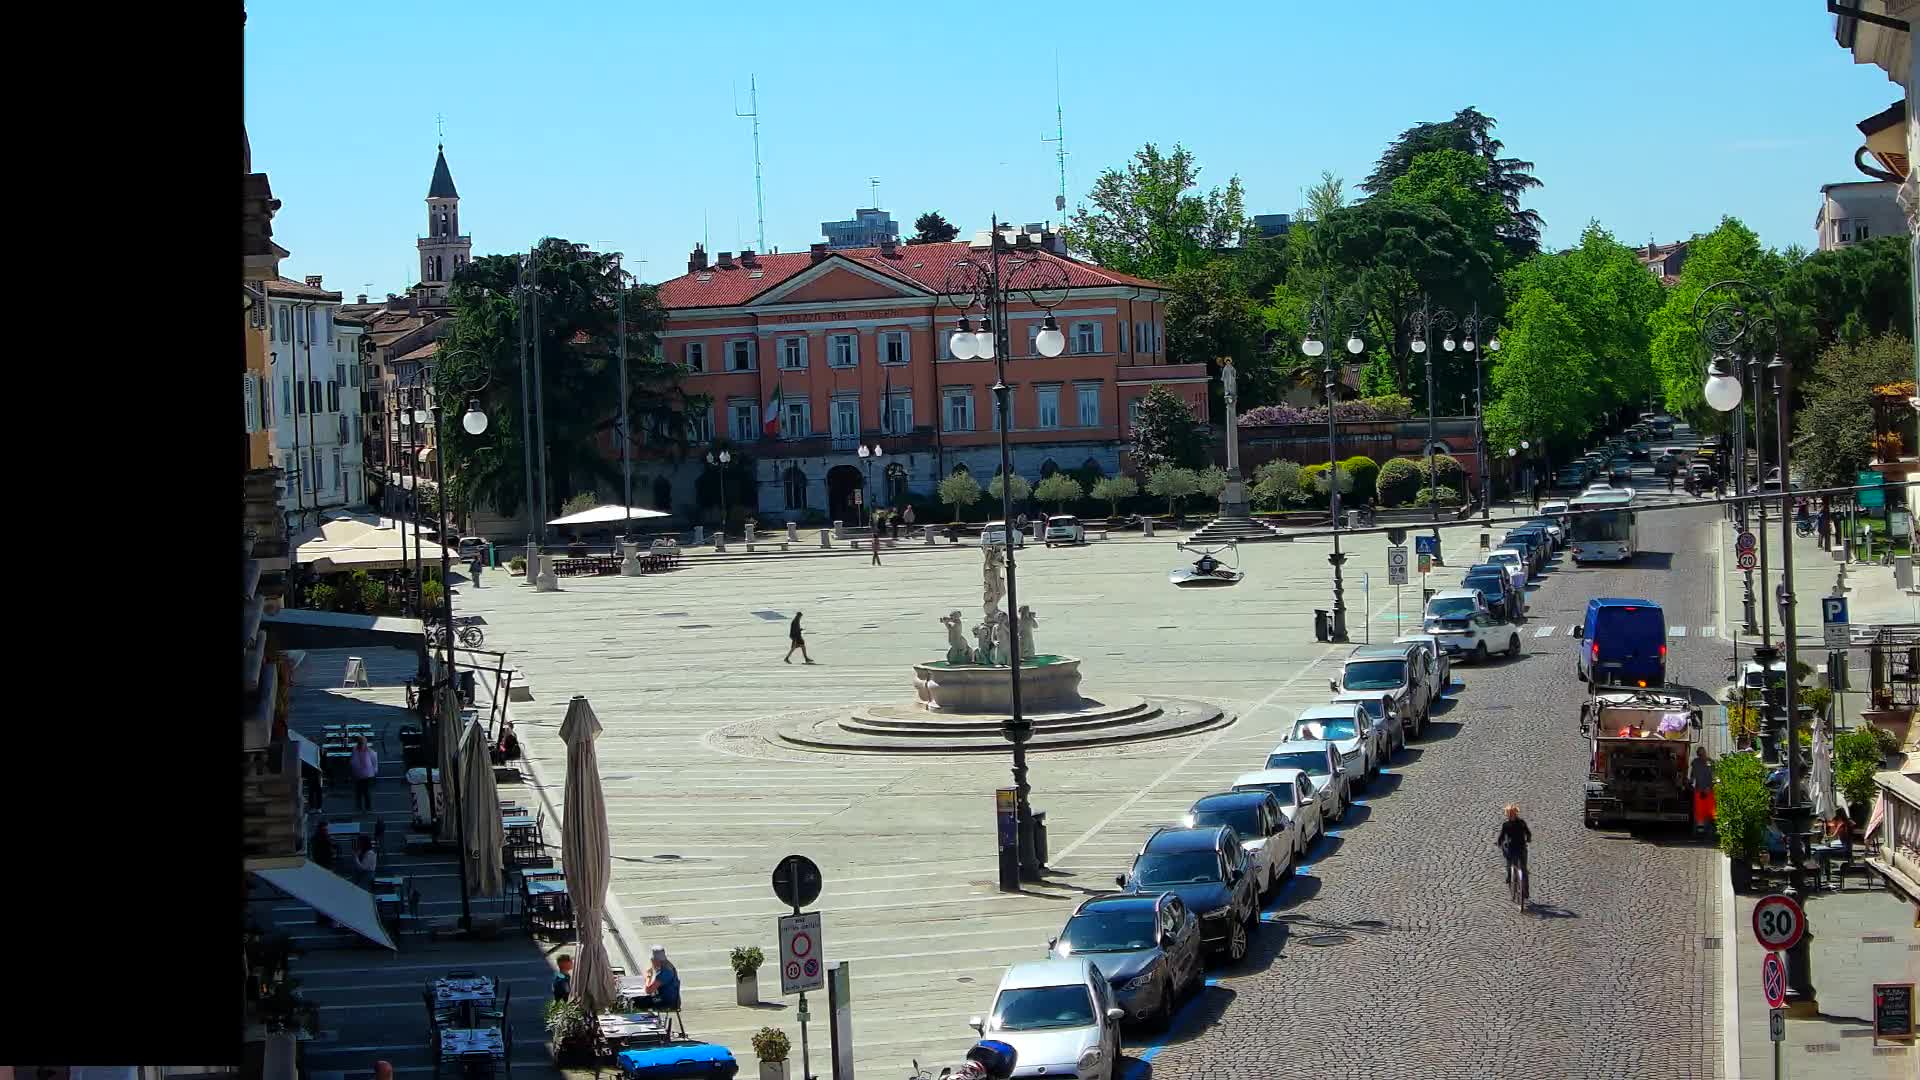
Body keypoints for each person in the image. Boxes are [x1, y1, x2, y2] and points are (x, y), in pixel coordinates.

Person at [627, 946, 681, 1012]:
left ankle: (643, 1019)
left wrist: (648, 976)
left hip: (667, 1001)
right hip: (671, 999)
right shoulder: (668, 966)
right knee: (642, 1000)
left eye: (652, 960)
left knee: (637, 1001)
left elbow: (649, 990)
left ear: (656, 960)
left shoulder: (665, 972)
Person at [1497, 804, 1532, 899]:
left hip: (1514, 848)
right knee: (1523, 869)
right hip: (1520, 848)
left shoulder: (1506, 825)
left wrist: (1499, 843)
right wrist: (1528, 838)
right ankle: (1525, 891)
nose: (1510, 815)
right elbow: (1528, 833)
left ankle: (1510, 877)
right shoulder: (1521, 822)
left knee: (1513, 864)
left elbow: (1501, 836)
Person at [1818, 811, 1854, 887]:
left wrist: (1825, 837)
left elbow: (1833, 837)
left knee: (1823, 854)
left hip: (1844, 851)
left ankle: (1824, 876)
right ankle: (1826, 876)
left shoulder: (1841, 825)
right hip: (1848, 849)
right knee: (1824, 854)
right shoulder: (1848, 823)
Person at [1689, 748, 1716, 835]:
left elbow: (1713, 776)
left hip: (1708, 790)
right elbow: (1693, 775)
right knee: (1699, 811)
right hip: (1699, 790)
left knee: (1709, 811)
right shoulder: (1695, 763)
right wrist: (1690, 783)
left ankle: (1709, 830)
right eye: (1700, 754)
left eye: (1702, 754)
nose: (1701, 756)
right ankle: (1699, 831)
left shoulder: (1710, 762)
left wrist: (1710, 786)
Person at [350, 735, 379, 812]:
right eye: (360, 743)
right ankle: (359, 807)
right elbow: (353, 760)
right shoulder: (354, 750)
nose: (361, 745)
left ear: (365, 744)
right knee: (358, 792)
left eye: (362, 743)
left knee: (366, 792)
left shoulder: (370, 751)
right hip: (358, 774)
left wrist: (375, 771)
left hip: (367, 775)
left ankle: (368, 807)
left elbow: (374, 762)